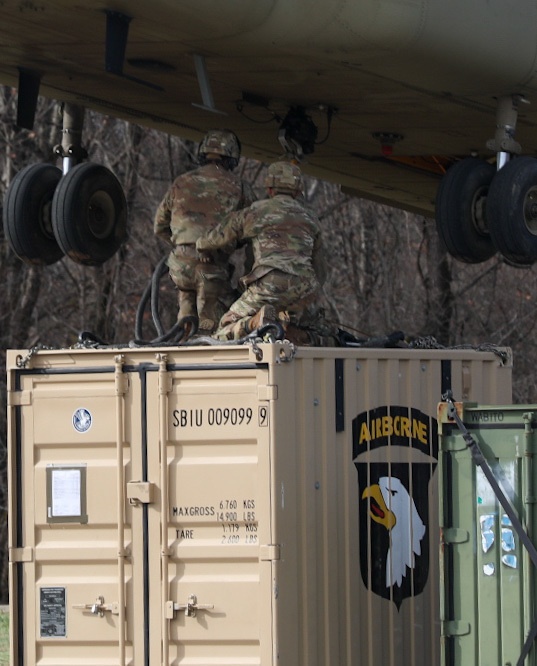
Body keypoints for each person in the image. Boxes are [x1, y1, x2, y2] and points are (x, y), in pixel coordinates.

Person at [196, 160, 330, 341]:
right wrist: (307, 296)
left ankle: (254, 323)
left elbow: (216, 238)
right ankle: (291, 332)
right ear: (298, 192)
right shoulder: (311, 218)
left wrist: (200, 246)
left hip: (269, 285)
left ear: (269, 189)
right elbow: (321, 270)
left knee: (223, 329)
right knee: (296, 321)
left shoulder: (256, 212)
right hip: (304, 289)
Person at [154, 129, 255, 337]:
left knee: (184, 325)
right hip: (211, 266)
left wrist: (183, 248)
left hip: (180, 266)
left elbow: (159, 226)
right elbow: (255, 228)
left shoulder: (180, 182)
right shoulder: (239, 187)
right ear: (232, 157)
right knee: (210, 331)